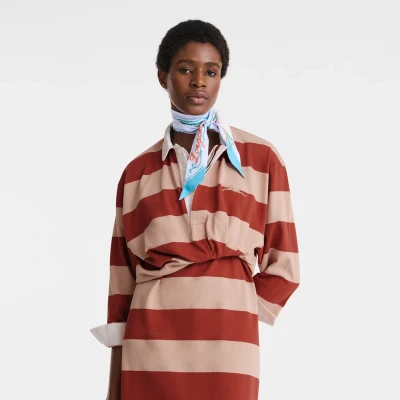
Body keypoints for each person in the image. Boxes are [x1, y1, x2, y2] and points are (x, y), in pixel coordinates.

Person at [90, 19, 300, 400]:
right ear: (162, 76)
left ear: (221, 78)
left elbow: (284, 266)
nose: (199, 82)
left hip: (229, 349)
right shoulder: (136, 174)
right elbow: (121, 288)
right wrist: (113, 389)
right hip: (149, 348)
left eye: (211, 72)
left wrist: (232, 305)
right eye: (186, 70)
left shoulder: (262, 160)